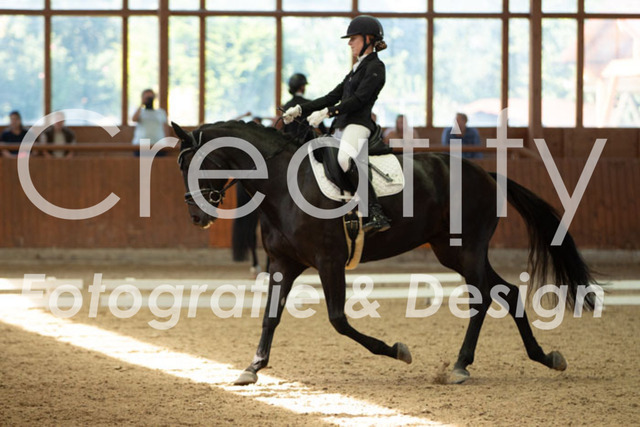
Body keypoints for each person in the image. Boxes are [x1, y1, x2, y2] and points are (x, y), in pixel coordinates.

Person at [282, 15, 390, 233]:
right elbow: (331, 96)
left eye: (353, 38)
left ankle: (375, 212)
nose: (349, 43)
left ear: (368, 39)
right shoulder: (356, 69)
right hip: (341, 125)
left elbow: (359, 99)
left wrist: (328, 113)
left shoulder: (376, 67)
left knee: (344, 159)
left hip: (358, 123)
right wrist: (301, 109)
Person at [132, 89, 169, 157]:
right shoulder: (140, 111)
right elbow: (134, 119)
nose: (149, 100)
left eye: (150, 98)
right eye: (147, 98)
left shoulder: (161, 112)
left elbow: (165, 127)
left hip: (158, 145)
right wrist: (142, 104)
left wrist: (166, 143)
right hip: (140, 145)